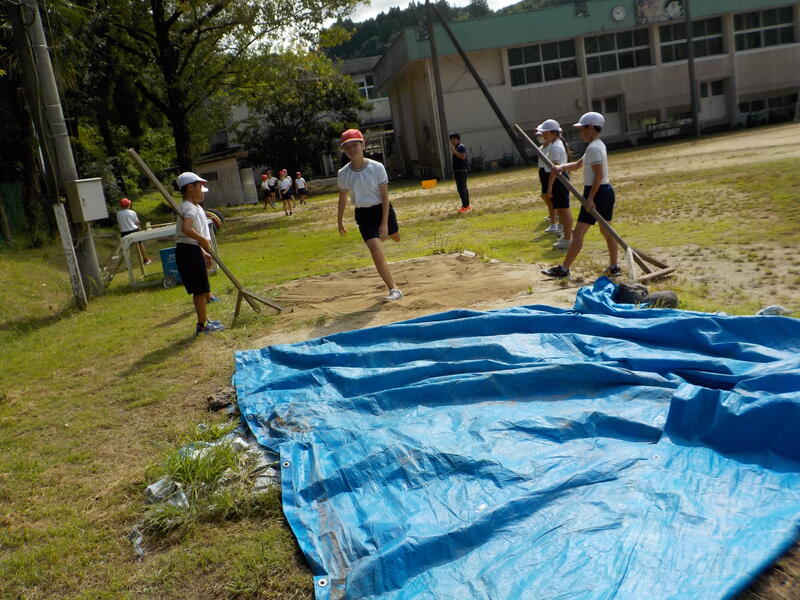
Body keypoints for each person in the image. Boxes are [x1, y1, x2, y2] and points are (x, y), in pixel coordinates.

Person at [541, 112, 619, 279]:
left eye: (582, 128)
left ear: (590, 128)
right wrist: (561, 167)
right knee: (607, 232)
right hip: (605, 191)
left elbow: (598, 175)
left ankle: (564, 269)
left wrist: (590, 199)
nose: (580, 132)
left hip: (597, 193)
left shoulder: (593, 148)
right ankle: (614, 266)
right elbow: (577, 165)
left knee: (578, 233)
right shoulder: (596, 145)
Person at [337, 128, 403, 302]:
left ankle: (390, 232)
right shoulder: (343, 173)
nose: (351, 149)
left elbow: (385, 196)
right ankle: (394, 289)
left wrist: (384, 224)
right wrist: (340, 222)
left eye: (354, 145)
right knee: (375, 249)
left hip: (382, 209)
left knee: (395, 237)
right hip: (363, 214)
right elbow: (342, 198)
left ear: (363, 145)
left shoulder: (377, 167)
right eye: (347, 147)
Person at [174, 172, 224, 336]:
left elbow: (190, 235)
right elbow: (186, 229)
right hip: (188, 251)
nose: (202, 191)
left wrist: (202, 251)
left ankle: (205, 321)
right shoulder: (188, 207)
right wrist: (202, 240)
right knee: (199, 290)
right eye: (199, 187)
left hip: (193, 249)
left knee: (201, 288)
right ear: (190, 187)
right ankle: (202, 326)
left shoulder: (193, 207)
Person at [537, 119, 573, 250]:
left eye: (545, 132)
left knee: (563, 209)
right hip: (558, 178)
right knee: (561, 209)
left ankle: (568, 237)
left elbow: (555, 170)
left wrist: (549, 187)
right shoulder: (555, 144)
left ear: (553, 132)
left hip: (558, 179)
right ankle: (565, 235)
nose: (543, 135)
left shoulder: (555, 147)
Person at [536, 123, 560, 235]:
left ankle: (555, 221)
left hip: (549, 173)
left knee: (551, 199)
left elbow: (556, 164)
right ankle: (554, 216)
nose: (540, 137)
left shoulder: (553, 146)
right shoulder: (540, 148)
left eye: (541, 134)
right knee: (545, 196)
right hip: (543, 172)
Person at [116, 197, 152, 265]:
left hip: (124, 232)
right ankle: (145, 259)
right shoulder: (132, 212)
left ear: (121, 206)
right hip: (134, 230)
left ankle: (127, 264)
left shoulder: (118, 214)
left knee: (126, 248)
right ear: (129, 205)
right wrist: (140, 230)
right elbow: (137, 223)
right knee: (140, 243)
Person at [450, 133, 470, 213]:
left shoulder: (461, 146)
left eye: (454, 139)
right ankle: (466, 205)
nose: (452, 141)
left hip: (462, 170)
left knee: (462, 189)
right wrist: (454, 173)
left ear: (458, 140)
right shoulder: (455, 148)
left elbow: (463, 156)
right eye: (451, 140)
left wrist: (454, 152)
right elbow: (455, 162)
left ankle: (465, 206)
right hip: (457, 171)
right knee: (462, 188)